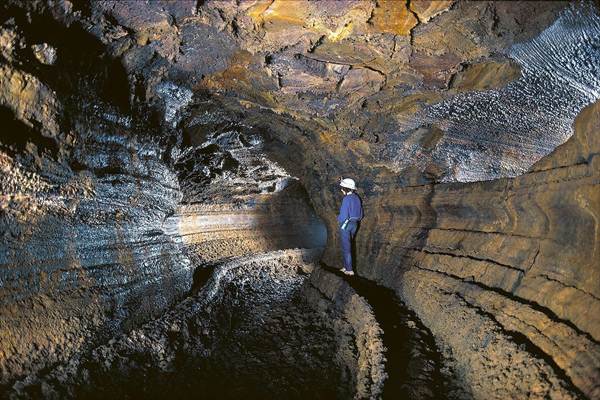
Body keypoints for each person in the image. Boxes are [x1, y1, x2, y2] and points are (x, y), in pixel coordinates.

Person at [337, 178, 363, 276]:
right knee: (348, 245)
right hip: (355, 223)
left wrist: (339, 219)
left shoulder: (346, 199)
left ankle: (349, 270)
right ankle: (345, 266)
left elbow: (343, 215)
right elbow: (361, 214)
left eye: (342, 188)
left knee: (346, 247)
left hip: (346, 223)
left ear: (345, 188)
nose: (341, 190)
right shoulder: (357, 198)